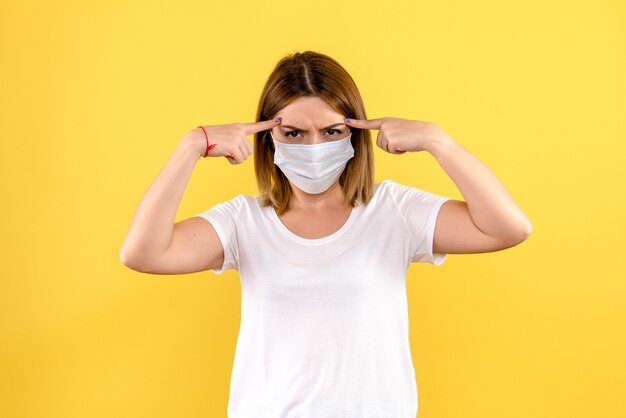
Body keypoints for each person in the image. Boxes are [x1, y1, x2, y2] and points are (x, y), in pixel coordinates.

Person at [120, 51, 532, 417]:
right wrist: (190, 146)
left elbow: (508, 228)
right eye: (294, 133)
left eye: (332, 131)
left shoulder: (394, 212)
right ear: (269, 137)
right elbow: (143, 254)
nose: (313, 146)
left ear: (355, 133)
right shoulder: (242, 222)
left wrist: (438, 141)